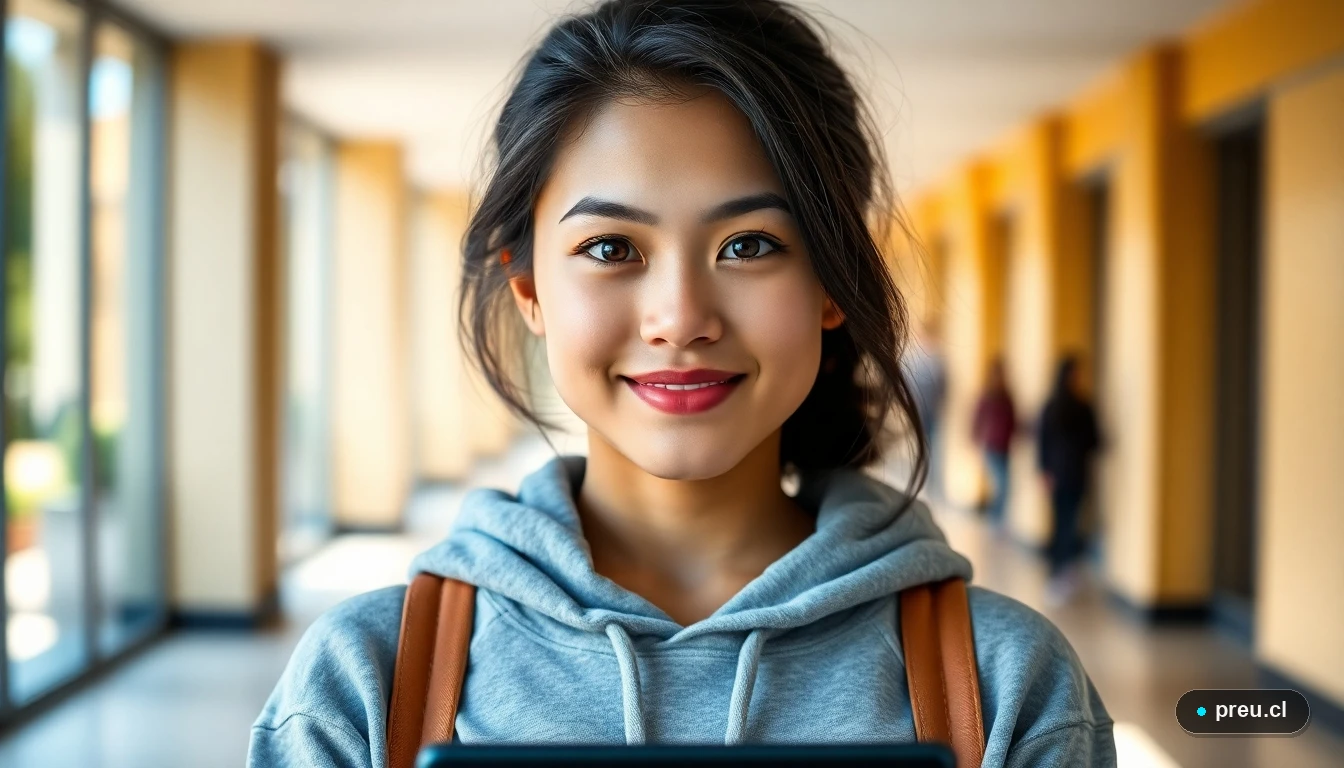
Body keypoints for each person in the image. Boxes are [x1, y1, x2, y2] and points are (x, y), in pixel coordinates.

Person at [248, 2, 1114, 765]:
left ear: (830, 284)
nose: (680, 317)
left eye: (749, 245)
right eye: (611, 248)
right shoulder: (369, 683)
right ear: (529, 289)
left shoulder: (1006, 689)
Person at [1037, 355, 1102, 605]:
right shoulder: (1063, 406)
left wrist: (1045, 468)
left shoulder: (1077, 406)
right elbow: (1043, 441)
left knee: (1070, 521)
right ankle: (1059, 571)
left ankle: (1064, 569)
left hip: (1070, 474)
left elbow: (1093, 441)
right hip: (1065, 473)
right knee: (1063, 522)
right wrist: (1044, 469)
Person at [972, 357, 1016, 530]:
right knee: (1001, 485)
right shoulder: (988, 395)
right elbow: (978, 418)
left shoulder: (1007, 396)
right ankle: (994, 519)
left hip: (1005, 446)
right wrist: (976, 437)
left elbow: (1013, 420)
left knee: (1005, 486)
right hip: (992, 446)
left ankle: (998, 519)